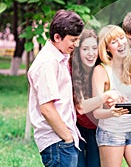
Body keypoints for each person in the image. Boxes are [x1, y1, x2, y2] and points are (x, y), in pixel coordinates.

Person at [27, 10, 119, 167]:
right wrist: (67, 138)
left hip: (65, 139)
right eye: (73, 40)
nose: (76, 44)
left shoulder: (60, 58)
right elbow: (47, 108)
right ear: (57, 37)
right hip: (58, 141)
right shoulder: (48, 63)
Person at [92, 25, 131, 167]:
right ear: (107, 48)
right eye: (114, 42)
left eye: (121, 38)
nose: (121, 43)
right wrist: (111, 112)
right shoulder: (101, 70)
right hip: (111, 132)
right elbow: (96, 112)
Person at [70, 29, 100, 167]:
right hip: (77, 127)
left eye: (94, 48)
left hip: (97, 128)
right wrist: (106, 97)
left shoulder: (100, 68)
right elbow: (80, 107)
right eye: (85, 49)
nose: (91, 53)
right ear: (78, 51)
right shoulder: (71, 69)